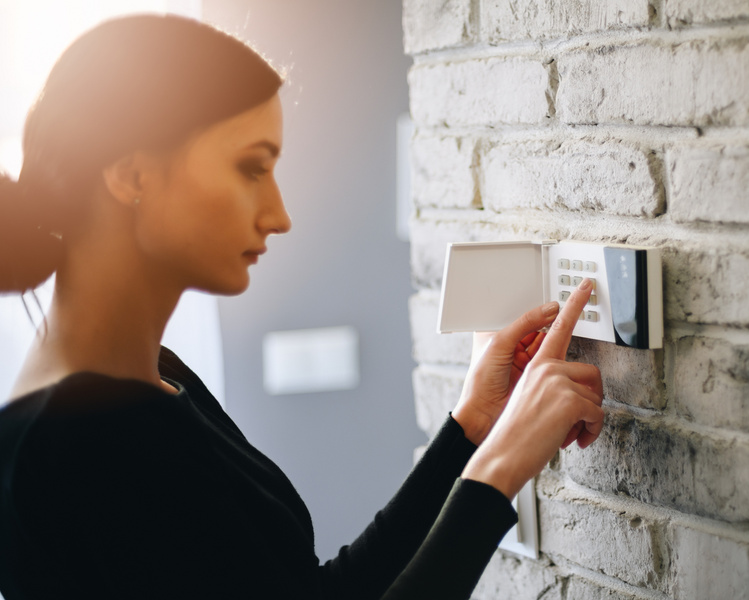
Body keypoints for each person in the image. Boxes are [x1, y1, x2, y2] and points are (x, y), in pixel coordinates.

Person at [0, 14, 604, 600]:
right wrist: (501, 467)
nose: (280, 215)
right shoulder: (71, 447)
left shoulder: (153, 377)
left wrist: (472, 423)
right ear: (133, 175)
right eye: (251, 167)